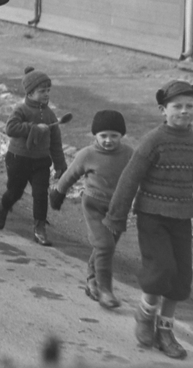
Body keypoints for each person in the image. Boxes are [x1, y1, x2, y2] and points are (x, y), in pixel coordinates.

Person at [106, 81, 193, 359]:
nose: (184, 111)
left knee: (182, 277)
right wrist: (116, 217)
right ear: (163, 110)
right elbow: (129, 178)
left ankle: (165, 330)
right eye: (177, 106)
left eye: (189, 106)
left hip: (181, 218)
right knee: (162, 270)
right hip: (152, 217)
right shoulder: (153, 140)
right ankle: (145, 314)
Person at [50, 110, 134, 309]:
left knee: (105, 247)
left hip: (118, 208)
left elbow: (138, 177)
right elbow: (70, 175)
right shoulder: (87, 154)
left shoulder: (129, 154)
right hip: (94, 205)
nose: (108, 140)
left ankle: (91, 279)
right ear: (94, 135)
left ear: (122, 135)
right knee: (105, 246)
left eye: (114, 136)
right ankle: (105, 291)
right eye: (103, 135)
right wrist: (58, 192)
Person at [0, 67, 68, 246]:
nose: (46, 94)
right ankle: (3, 207)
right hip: (18, 158)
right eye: (42, 91)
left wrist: (60, 165)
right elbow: (10, 128)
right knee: (15, 192)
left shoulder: (50, 114)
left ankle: (39, 228)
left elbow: (55, 142)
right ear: (30, 92)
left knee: (40, 194)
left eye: (48, 91)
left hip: (41, 161)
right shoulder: (21, 109)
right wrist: (32, 128)